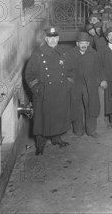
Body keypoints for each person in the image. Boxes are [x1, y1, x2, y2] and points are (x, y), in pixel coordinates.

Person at [24, 26, 74, 155]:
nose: (52, 41)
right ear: (46, 39)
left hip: (60, 92)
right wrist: (37, 89)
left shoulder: (63, 52)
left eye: (55, 38)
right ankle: (40, 144)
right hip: (44, 93)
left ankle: (56, 138)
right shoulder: (38, 53)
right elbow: (29, 74)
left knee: (57, 116)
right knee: (41, 119)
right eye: (50, 38)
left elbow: (70, 71)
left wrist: (67, 85)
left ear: (58, 38)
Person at [66, 31, 106, 138]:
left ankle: (91, 130)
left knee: (91, 106)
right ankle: (78, 130)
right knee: (76, 107)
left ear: (88, 44)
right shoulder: (70, 54)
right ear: (77, 43)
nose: (83, 45)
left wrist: (102, 79)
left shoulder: (94, 54)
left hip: (90, 85)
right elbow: (66, 70)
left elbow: (100, 68)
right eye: (81, 43)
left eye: (85, 43)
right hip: (76, 85)